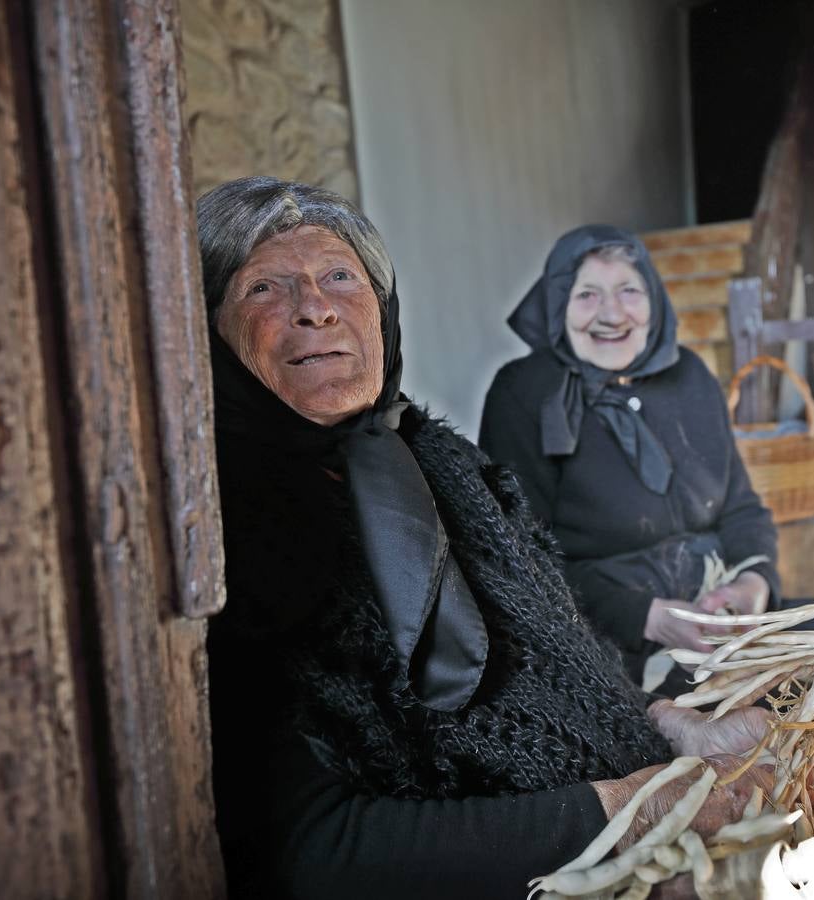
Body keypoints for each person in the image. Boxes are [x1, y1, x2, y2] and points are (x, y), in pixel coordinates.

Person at [199, 179, 778, 899]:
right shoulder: (231, 534)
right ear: (210, 329)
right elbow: (319, 851)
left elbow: (557, 651)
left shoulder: (438, 462)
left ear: (383, 309)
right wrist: (625, 811)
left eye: (340, 277)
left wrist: (668, 728)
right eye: (264, 287)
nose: (315, 307)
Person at [479, 226, 785, 689]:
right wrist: (651, 619)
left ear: (654, 300)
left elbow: (740, 507)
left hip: (721, 621)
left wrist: (753, 584)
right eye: (587, 295)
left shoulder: (690, 376)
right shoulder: (522, 393)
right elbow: (520, 556)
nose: (612, 313)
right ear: (557, 302)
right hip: (603, 638)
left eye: (629, 290)